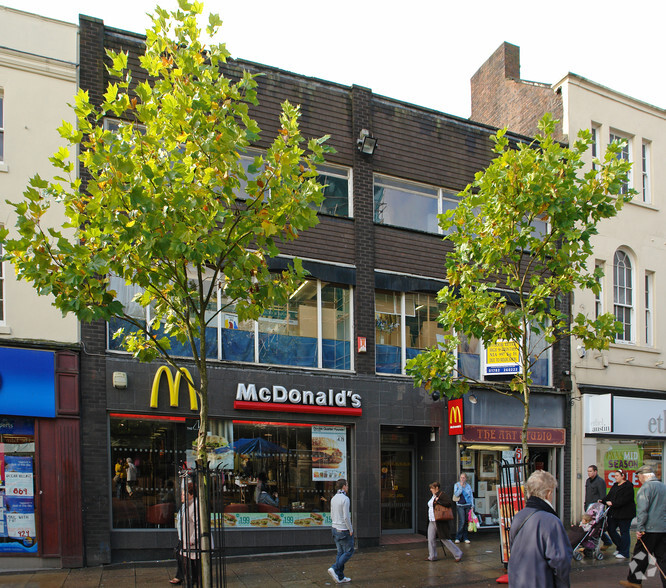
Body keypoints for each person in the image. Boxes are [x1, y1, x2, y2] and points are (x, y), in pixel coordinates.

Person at [508, 470, 572, 587]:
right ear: (548, 493)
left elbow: (513, 549)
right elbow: (561, 562)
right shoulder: (551, 521)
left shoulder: (518, 516)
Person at [619, 464, 666, 588]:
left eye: (639, 476)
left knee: (640, 555)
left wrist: (640, 529)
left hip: (649, 530)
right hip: (663, 529)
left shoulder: (645, 488)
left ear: (643, 476)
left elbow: (642, 511)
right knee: (663, 558)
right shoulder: (664, 487)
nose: (638, 479)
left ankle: (634, 582)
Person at [426, 481, 463, 562]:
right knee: (431, 538)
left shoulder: (441, 495)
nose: (430, 490)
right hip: (432, 520)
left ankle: (458, 553)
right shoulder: (433, 496)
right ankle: (432, 556)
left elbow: (448, 503)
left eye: (432, 488)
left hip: (439, 521)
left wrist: (438, 501)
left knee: (444, 539)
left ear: (437, 488)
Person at [605, 469, 635, 560]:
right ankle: (620, 547)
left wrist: (613, 503)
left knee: (624, 532)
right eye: (615, 475)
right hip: (614, 513)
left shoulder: (628, 487)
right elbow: (609, 496)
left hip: (625, 514)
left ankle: (625, 552)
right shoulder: (615, 485)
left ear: (623, 476)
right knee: (611, 529)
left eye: (617, 475)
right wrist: (602, 500)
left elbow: (624, 500)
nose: (615, 477)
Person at [328, 479, 354, 584]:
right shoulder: (345, 499)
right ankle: (334, 568)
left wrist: (335, 524)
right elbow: (346, 517)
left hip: (334, 528)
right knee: (349, 551)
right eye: (347, 485)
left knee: (340, 552)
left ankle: (340, 576)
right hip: (344, 529)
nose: (348, 487)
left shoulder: (333, 498)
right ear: (343, 486)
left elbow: (331, 514)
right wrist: (350, 529)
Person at [585, 464, 612, 547]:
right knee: (590, 527)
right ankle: (590, 543)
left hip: (596, 509)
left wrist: (601, 507)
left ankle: (606, 541)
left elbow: (602, 496)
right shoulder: (588, 481)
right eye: (588, 471)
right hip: (589, 507)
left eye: (590, 471)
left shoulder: (600, 482)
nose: (589, 473)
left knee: (596, 527)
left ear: (595, 472)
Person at [453, 472, 474, 544]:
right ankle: (458, 537)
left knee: (466, 522)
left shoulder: (468, 486)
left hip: (468, 505)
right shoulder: (456, 485)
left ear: (466, 478)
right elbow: (456, 494)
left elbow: (471, 496)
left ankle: (465, 537)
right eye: (461, 477)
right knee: (462, 521)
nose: (462, 479)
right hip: (460, 505)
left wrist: (472, 505)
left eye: (463, 478)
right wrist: (461, 487)